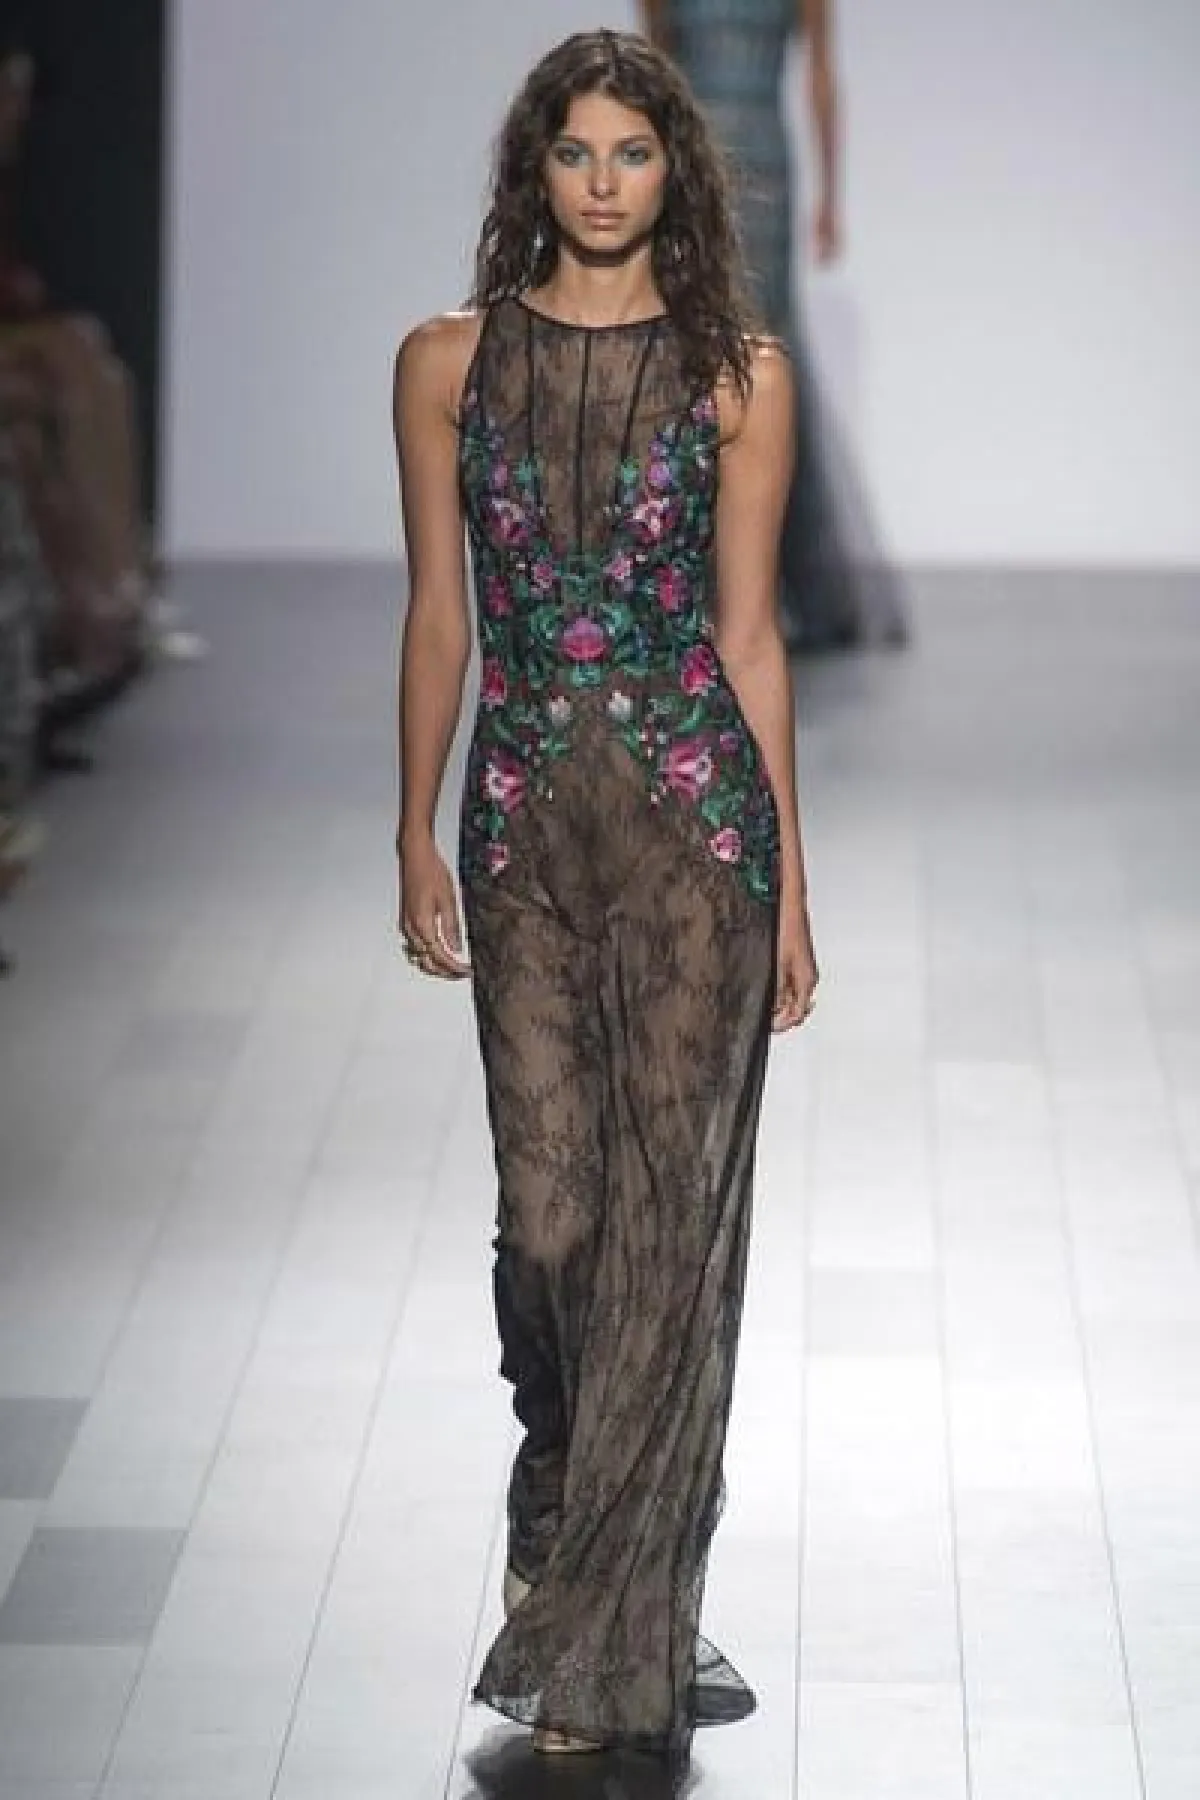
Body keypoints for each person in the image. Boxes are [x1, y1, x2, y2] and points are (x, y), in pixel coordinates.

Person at [392, 28, 818, 1769]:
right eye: (574, 152)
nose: (602, 182)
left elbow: (749, 638)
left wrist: (793, 890)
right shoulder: (447, 364)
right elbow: (441, 615)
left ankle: (609, 1616)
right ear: (535, 171)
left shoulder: (738, 377)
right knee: (552, 1223)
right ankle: (558, 1486)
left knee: (666, 1230)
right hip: (520, 833)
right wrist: (410, 830)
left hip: (697, 834)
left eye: (632, 153)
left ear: (674, 176)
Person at [639, 0, 908, 651]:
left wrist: (831, 197)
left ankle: (776, 585)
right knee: (693, 353)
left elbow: (821, 73)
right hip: (691, 165)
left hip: (764, 164)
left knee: (762, 357)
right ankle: (692, 585)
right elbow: (654, 74)